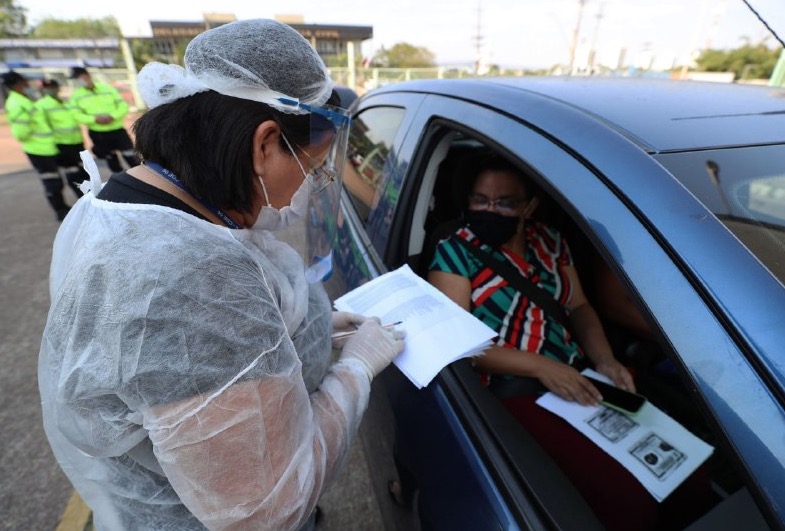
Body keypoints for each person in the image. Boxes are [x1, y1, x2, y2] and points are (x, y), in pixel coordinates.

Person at [38, 19, 405, 531]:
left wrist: (302, 330)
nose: (309, 184)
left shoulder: (130, 200)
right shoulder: (191, 276)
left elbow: (177, 363)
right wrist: (357, 370)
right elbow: (266, 508)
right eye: (311, 165)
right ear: (264, 143)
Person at [424, 151, 713, 530]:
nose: (489, 210)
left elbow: (578, 307)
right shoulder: (455, 250)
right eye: (480, 200)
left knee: (688, 478)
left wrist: (606, 360)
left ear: (530, 206)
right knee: (627, 503)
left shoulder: (550, 241)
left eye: (505, 202)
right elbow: (456, 343)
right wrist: (541, 365)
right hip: (512, 386)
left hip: (581, 376)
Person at [2, 71, 71, 220]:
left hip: (45, 147)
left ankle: (62, 208)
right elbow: (21, 133)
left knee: (56, 180)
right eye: (24, 82)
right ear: (18, 84)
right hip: (37, 149)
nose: (27, 85)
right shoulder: (16, 103)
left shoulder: (23, 99)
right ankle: (60, 211)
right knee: (52, 182)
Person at [68, 65, 140, 172]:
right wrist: (94, 119)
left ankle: (142, 181)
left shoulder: (107, 88)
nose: (77, 81)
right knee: (112, 162)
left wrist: (112, 116)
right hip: (98, 133)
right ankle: (123, 184)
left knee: (132, 158)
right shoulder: (76, 95)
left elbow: (123, 105)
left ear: (86, 75)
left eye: (78, 78)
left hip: (117, 130)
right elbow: (75, 114)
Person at [36, 78, 89, 198]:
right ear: (44, 89)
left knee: (84, 171)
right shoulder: (42, 105)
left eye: (53, 87)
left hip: (76, 142)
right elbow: (43, 126)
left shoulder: (65, 102)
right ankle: (82, 198)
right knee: (73, 174)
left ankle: (90, 196)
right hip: (62, 144)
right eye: (48, 88)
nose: (51, 90)